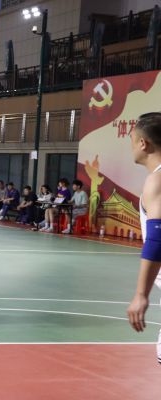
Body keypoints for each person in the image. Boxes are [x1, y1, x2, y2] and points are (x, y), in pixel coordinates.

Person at [126, 113, 161, 364]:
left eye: (131, 140)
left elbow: (158, 238)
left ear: (143, 143)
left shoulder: (157, 180)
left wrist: (141, 294)